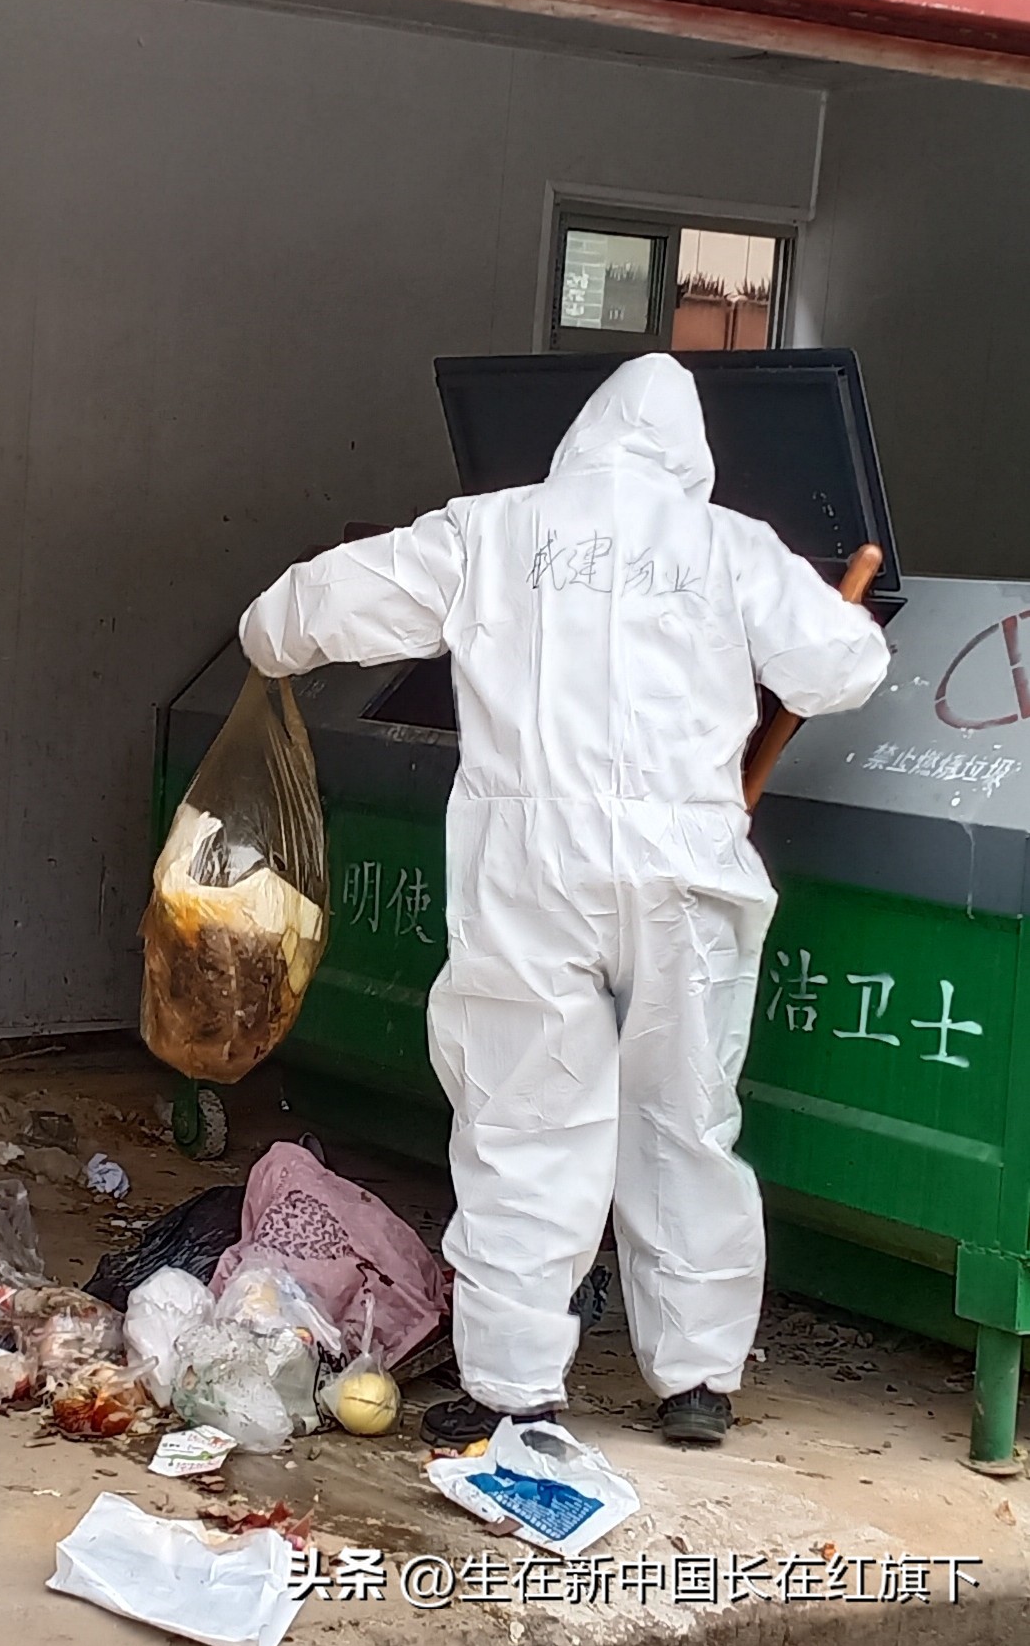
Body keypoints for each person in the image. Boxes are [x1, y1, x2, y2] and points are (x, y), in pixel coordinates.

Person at [238, 353, 888, 1450]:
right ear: (691, 457)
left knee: (526, 1120)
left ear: (580, 438)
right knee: (684, 1121)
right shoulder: (730, 545)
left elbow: (309, 609)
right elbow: (843, 671)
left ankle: (514, 1385)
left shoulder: (492, 531)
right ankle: (696, 1382)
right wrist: (811, 627)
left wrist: (266, 638)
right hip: (687, 871)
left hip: (531, 873)